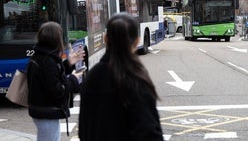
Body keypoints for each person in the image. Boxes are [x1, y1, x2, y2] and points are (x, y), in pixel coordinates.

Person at [79, 13, 163, 141]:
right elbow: (150, 133)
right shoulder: (136, 79)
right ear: (137, 41)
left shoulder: (92, 76)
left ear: (105, 38)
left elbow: (84, 130)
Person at [27, 21, 85, 141]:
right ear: (55, 38)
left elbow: (51, 76)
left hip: (42, 110)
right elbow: (58, 90)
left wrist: (69, 63)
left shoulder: (41, 55)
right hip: (47, 112)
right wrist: (74, 79)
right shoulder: (48, 60)